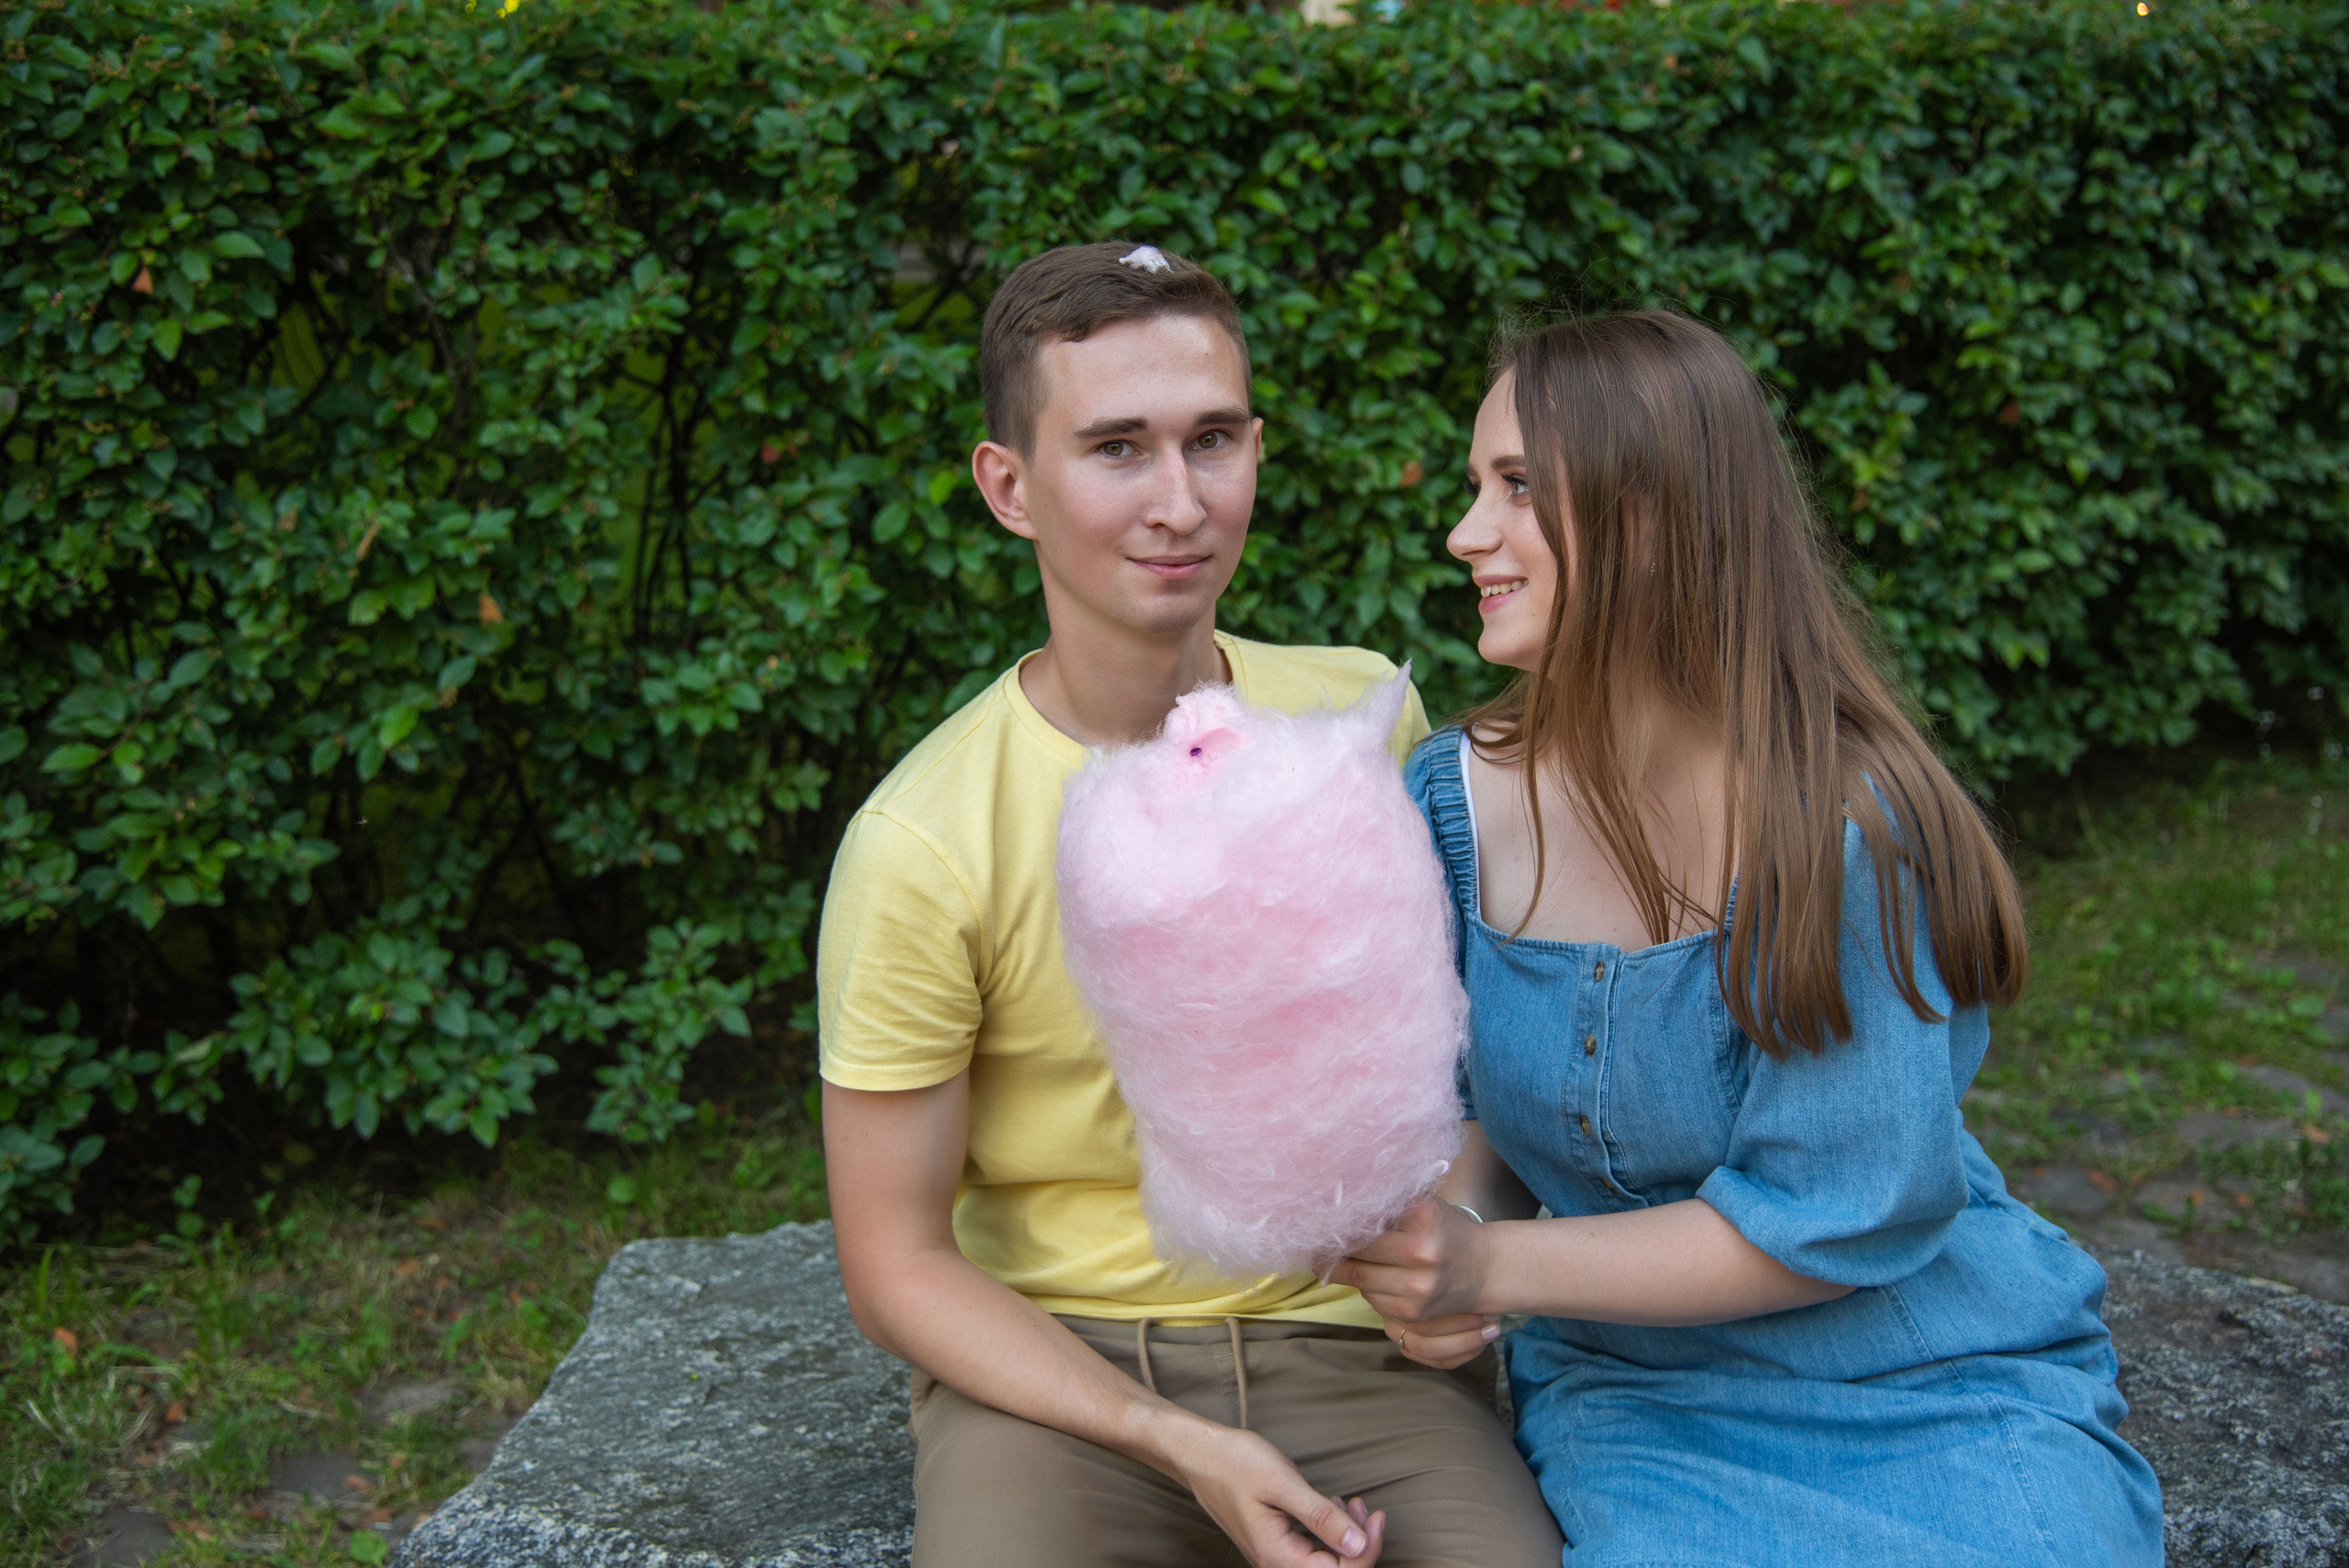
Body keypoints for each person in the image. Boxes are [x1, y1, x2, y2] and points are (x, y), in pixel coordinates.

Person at [1332, 310, 2166, 1568]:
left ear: (1646, 518)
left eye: (1514, 488)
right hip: (1641, 1403)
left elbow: (1832, 1213)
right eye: (1473, 487)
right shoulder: (1453, 802)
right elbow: (1497, 1104)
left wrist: (1493, 1263)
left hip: (1926, 1380)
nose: (1464, 534)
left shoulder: (1845, 828)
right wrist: (1439, 1246)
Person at [816, 241, 1562, 1568]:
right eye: (1117, 449)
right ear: (1010, 486)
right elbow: (897, 1261)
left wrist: (1463, 1246)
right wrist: (1174, 1441)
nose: (1181, 500)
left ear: (1258, 451)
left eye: (1212, 439)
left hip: (1357, 1351)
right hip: (1060, 1382)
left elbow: (1459, 1075)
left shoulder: (1361, 725)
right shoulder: (923, 841)